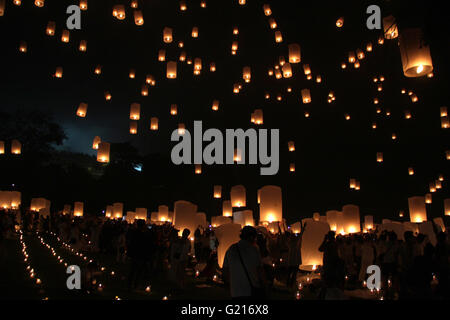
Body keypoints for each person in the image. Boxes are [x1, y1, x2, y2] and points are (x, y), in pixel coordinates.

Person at [222, 226, 266, 300]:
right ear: (252, 237)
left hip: (235, 292)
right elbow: (260, 271)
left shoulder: (231, 249)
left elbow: (225, 271)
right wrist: (265, 286)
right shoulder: (254, 250)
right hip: (251, 290)